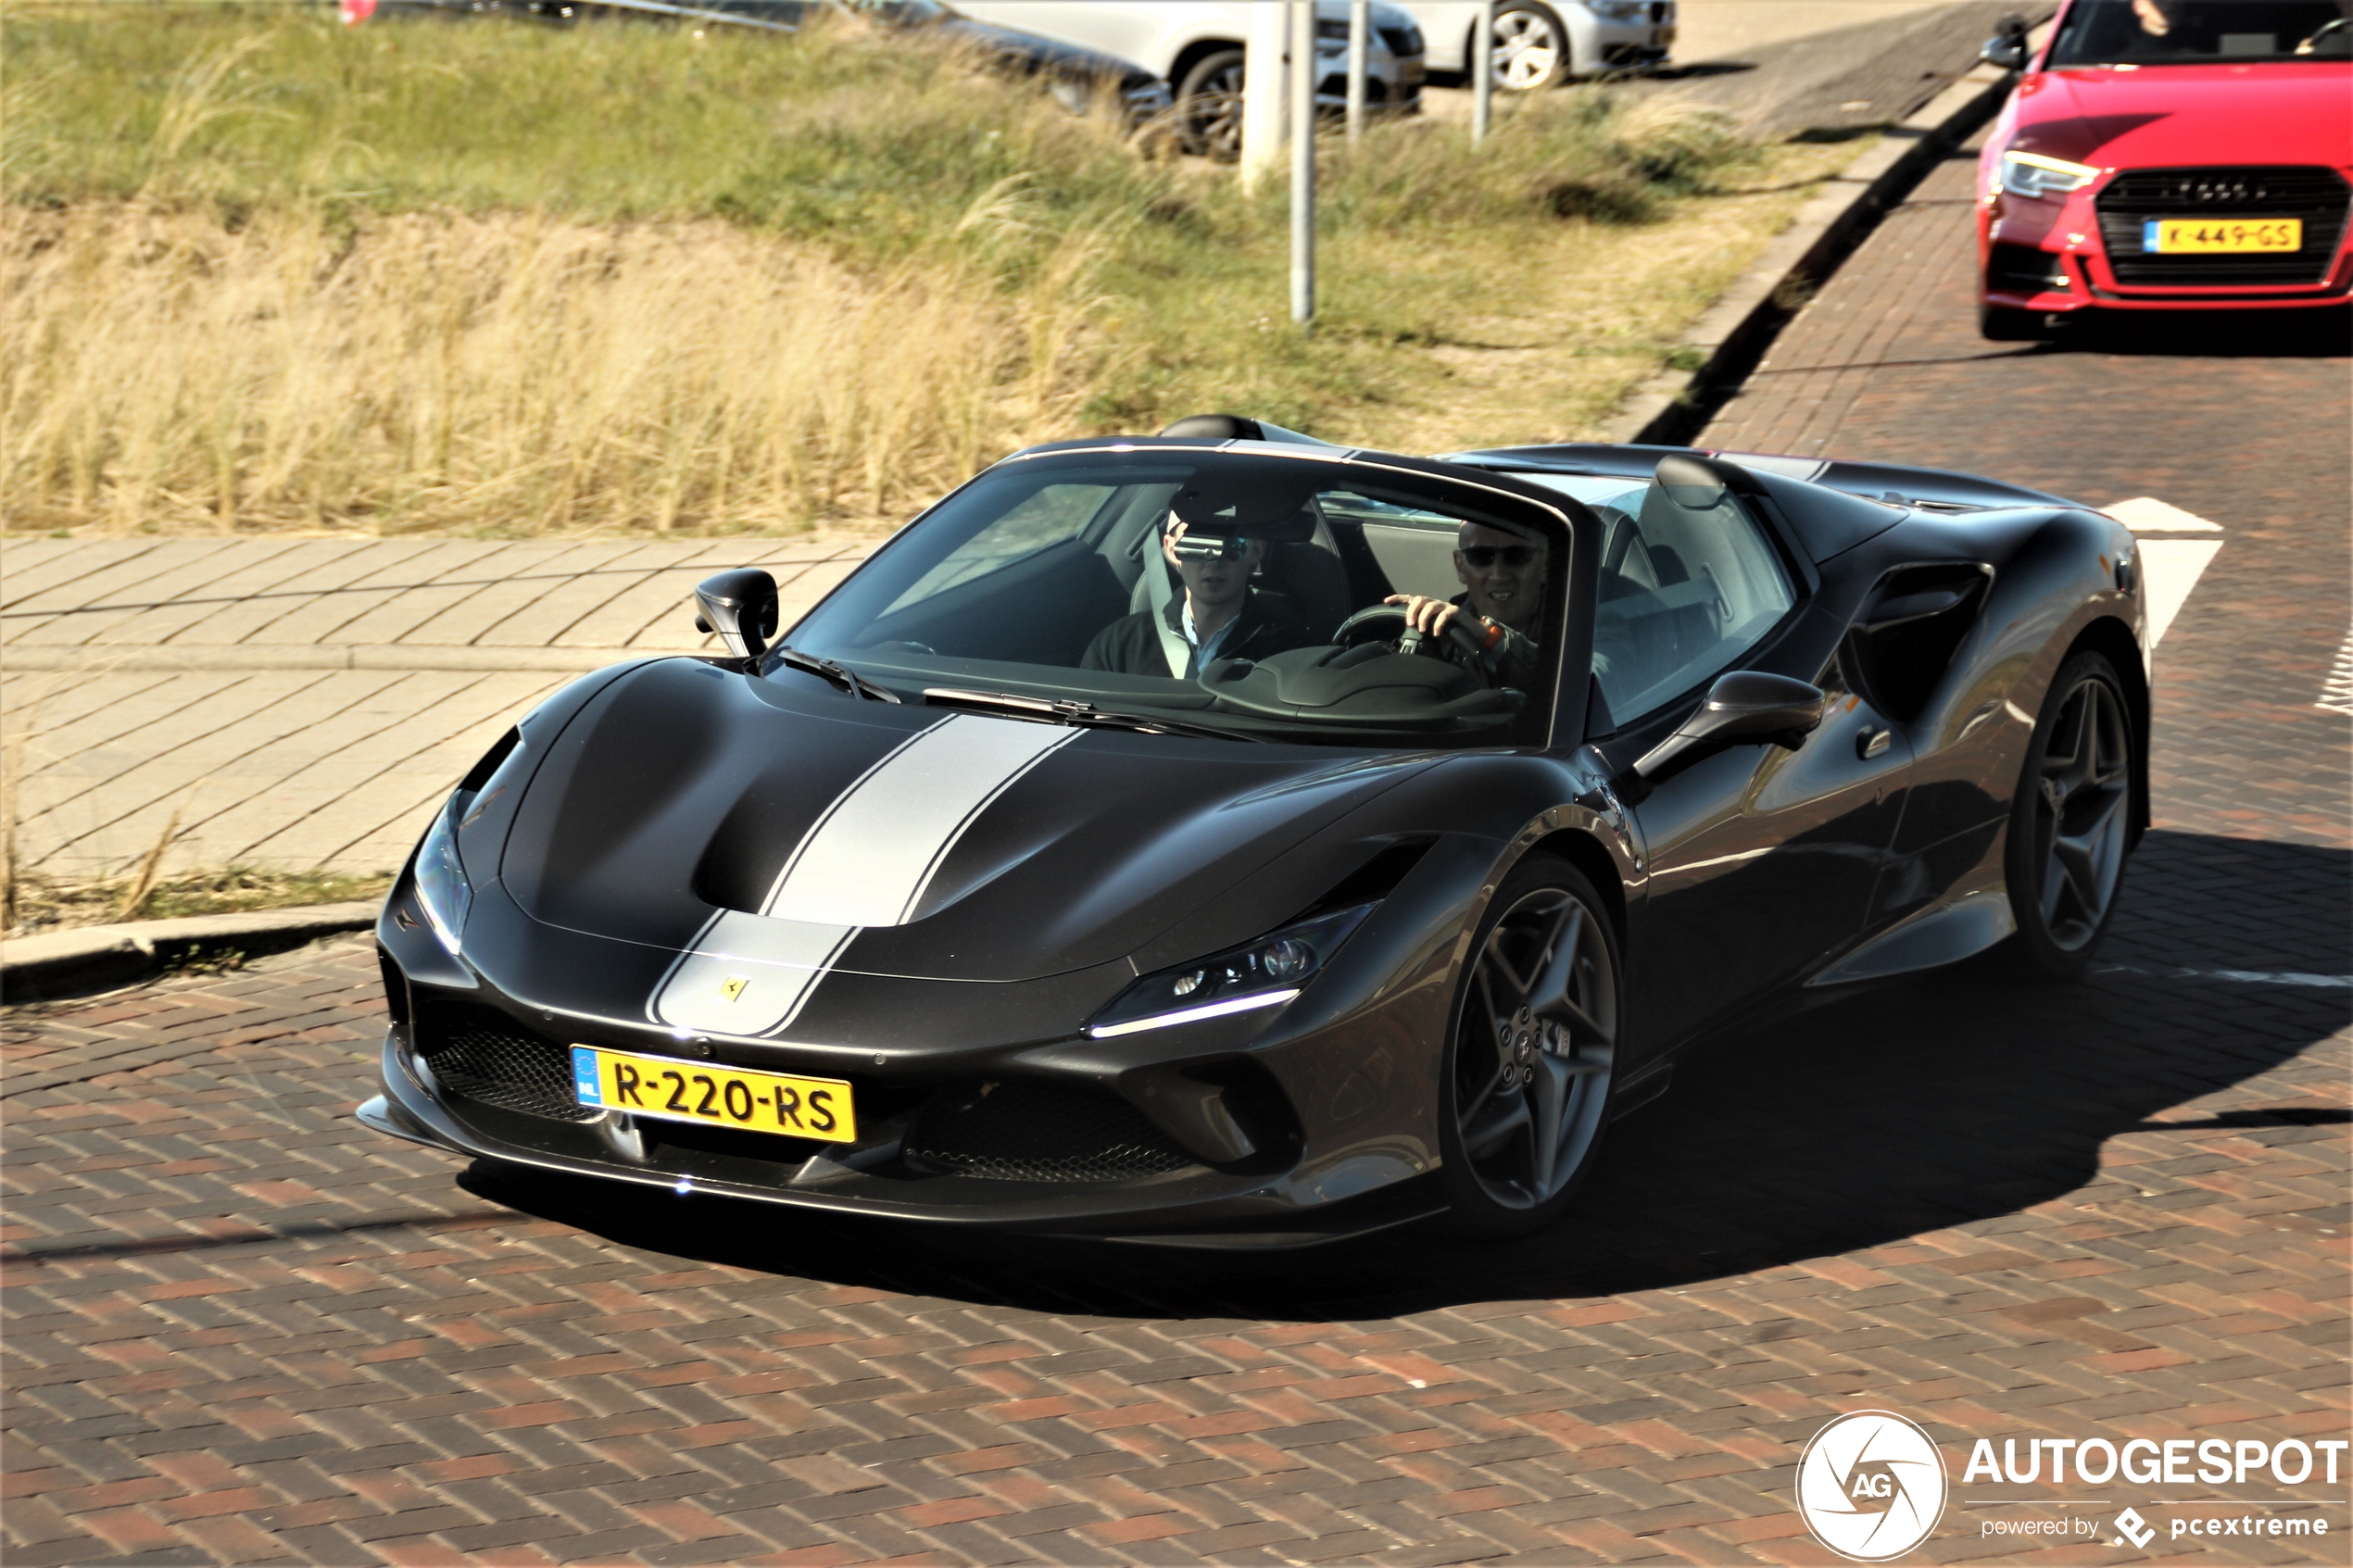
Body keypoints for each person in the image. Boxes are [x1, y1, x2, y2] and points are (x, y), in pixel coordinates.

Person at [1082, 518, 1312, 678]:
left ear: (1256, 551)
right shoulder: (1116, 645)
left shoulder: (1289, 651)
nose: (1213, 561)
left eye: (1232, 546)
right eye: (1195, 544)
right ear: (1172, 550)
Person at [1385, 520, 1549, 691]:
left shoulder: (1571, 627)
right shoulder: (1440, 633)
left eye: (1517, 556)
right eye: (1481, 557)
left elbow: (1553, 679)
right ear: (1460, 566)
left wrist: (1488, 637)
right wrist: (1414, 626)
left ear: (1545, 565)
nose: (1498, 575)